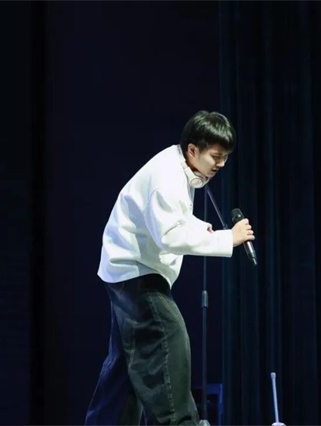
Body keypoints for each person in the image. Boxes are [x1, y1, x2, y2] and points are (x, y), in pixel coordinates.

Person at [85, 110, 255, 425]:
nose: (220, 164)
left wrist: (202, 228)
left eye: (225, 158)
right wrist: (227, 238)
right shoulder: (168, 176)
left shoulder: (177, 168)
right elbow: (169, 235)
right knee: (168, 340)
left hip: (127, 270)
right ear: (193, 149)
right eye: (216, 156)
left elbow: (172, 219)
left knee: (124, 370)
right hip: (136, 271)